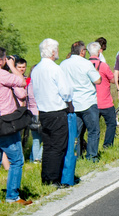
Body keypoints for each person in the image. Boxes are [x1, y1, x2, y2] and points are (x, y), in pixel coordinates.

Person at [30, 39, 72, 187]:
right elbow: (66, 92)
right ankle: (54, 178)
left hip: (43, 111)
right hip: (56, 110)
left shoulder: (36, 69)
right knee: (58, 146)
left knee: (48, 145)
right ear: (53, 52)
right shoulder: (55, 68)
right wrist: (69, 100)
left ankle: (46, 177)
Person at [60, 41, 101, 162]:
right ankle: (92, 156)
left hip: (72, 103)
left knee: (75, 133)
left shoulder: (63, 64)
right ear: (82, 51)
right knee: (93, 130)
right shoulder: (86, 63)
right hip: (87, 100)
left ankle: (75, 156)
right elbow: (97, 80)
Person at [0, 49, 31, 205]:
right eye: (5, 59)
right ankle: (12, 196)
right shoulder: (3, 74)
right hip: (5, 122)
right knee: (17, 160)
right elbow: (21, 82)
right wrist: (12, 66)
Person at [87, 42, 117, 149]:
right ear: (100, 51)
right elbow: (113, 79)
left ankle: (88, 147)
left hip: (91, 102)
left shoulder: (85, 65)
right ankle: (107, 145)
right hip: (105, 102)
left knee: (91, 128)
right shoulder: (103, 66)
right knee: (111, 123)